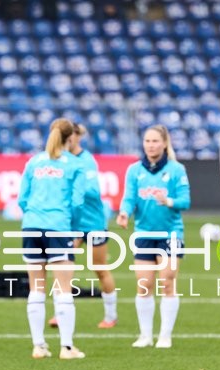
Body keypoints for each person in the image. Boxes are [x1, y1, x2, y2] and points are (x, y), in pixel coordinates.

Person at [116, 124, 191, 349]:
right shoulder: (134, 170)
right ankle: (145, 335)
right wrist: (124, 213)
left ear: (165, 143)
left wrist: (168, 201)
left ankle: (165, 335)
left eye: (155, 141)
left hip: (170, 234)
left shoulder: (177, 170)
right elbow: (129, 197)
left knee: (167, 281)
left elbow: (185, 201)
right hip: (144, 233)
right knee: (144, 284)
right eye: (147, 141)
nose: (150, 145)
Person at [18, 118, 87, 360]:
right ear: (71, 137)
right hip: (58, 228)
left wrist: (35, 215)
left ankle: (39, 346)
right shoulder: (74, 164)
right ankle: (67, 347)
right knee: (63, 288)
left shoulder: (34, 161)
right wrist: (74, 227)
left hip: (32, 227)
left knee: (36, 288)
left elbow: (22, 199)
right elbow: (78, 202)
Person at [48, 124, 118, 329]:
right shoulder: (60, 159)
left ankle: (111, 315)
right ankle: (60, 313)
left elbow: (92, 191)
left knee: (100, 268)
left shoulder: (86, 161)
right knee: (61, 267)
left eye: (72, 135)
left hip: (93, 223)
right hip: (71, 224)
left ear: (78, 137)